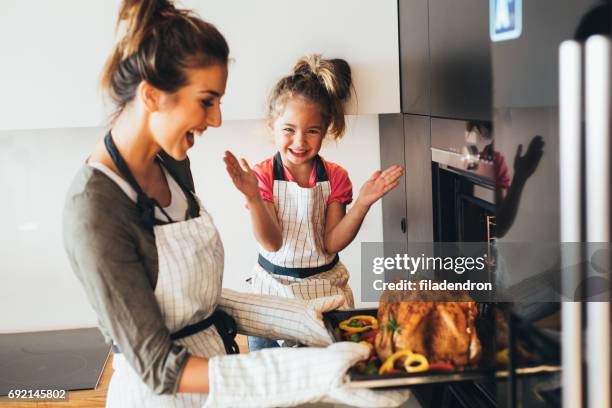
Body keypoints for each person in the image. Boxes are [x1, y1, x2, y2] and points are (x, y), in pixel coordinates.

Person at [62, 0, 409, 407]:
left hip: (220, 384)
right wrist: (313, 369)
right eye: (207, 101)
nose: (216, 120)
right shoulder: (95, 209)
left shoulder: (171, 165)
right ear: (152, 95)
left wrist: (309, 321)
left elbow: (194, 301)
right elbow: (159, 369)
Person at [223, 55, 404, 351]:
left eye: (312, 131)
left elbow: (331, 243)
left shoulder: (335, 177)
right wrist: (253, 198)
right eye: (288, 129)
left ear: (326, 129)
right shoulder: (263, 176)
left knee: (326, 374)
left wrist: (362, 204)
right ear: (272, 126)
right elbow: (272, 242)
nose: (299, 141)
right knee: (272, 384)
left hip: (323, 294)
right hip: (271, 296)